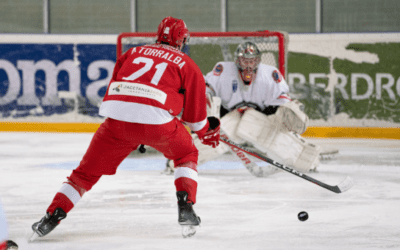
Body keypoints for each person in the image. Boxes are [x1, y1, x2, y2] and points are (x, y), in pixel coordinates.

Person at [30, 16, 220, 240]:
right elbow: (196, 122)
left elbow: (121, 91)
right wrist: (209, 131)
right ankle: (186, 206)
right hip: (157, 124)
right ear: (182, 40)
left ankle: (51, 216)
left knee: (84, 174)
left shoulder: (133, 52)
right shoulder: (187, 64)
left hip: (117, 122)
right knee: (187, 153)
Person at [165, 41, 322, 176]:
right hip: (231, 117)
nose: (249, 65)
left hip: (260, 118)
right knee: (216, 138)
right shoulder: (223, 70)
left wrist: (288, 110)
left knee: (259, 127)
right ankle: (180, 160)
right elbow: (207, 88)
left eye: (252, 60)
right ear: (237, 61)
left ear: (258, 60)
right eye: (244, 60)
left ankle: (306, 159)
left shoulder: (270, 74)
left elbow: (283, 99)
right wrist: (204, 99)